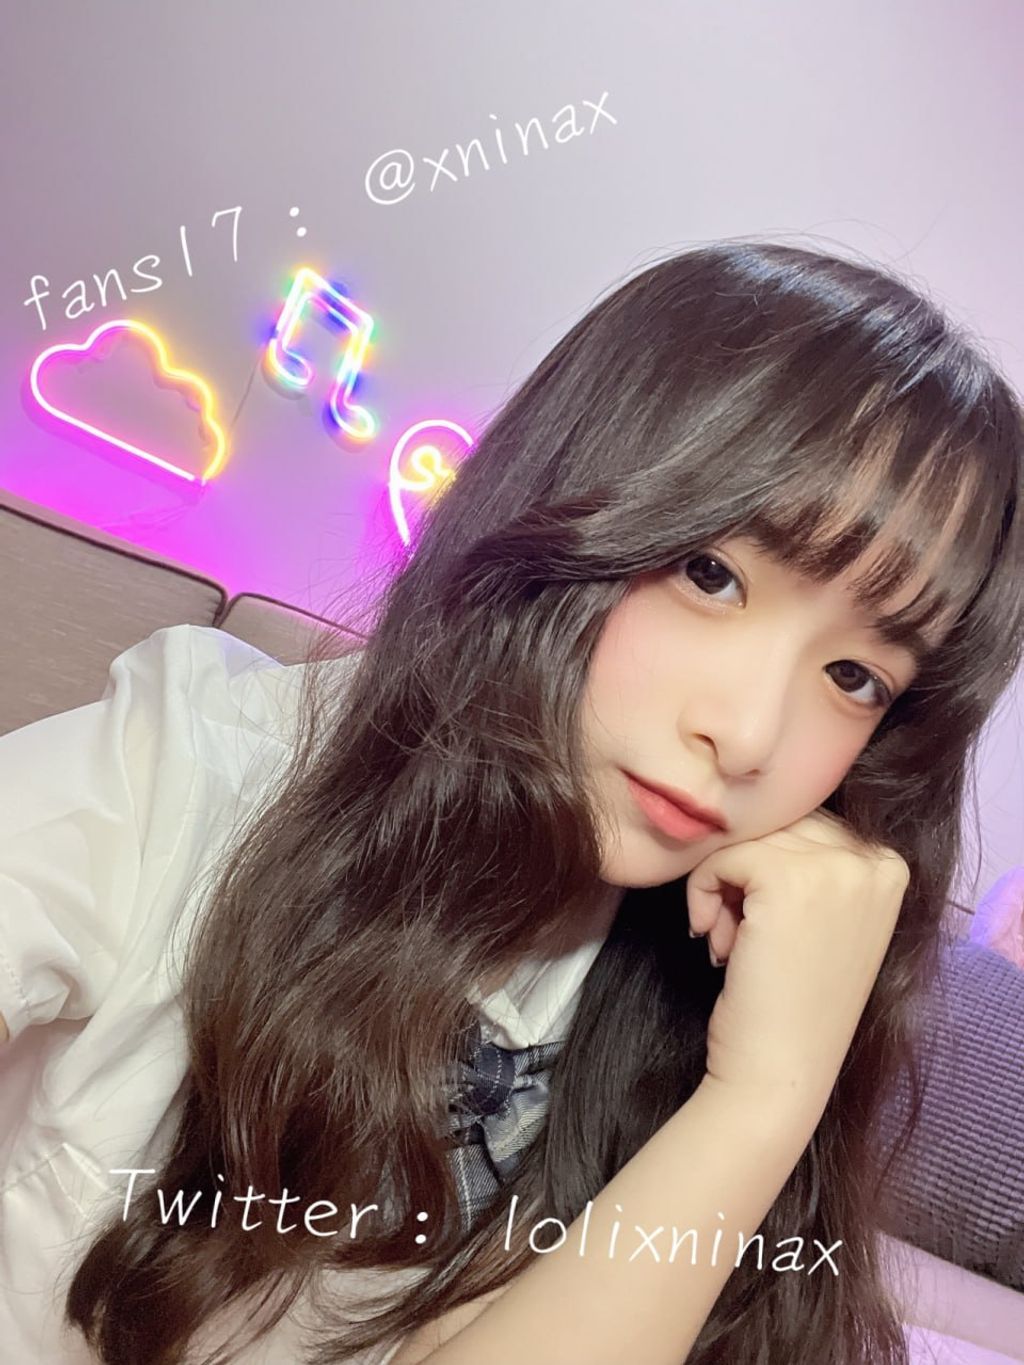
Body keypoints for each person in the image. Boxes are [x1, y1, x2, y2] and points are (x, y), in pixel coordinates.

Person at [1, 238, 1022, 1364]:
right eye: (711, 573)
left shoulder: (703, 987)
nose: (746, 737)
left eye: (855, 676)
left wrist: (767, 1096)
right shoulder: (191, 765)